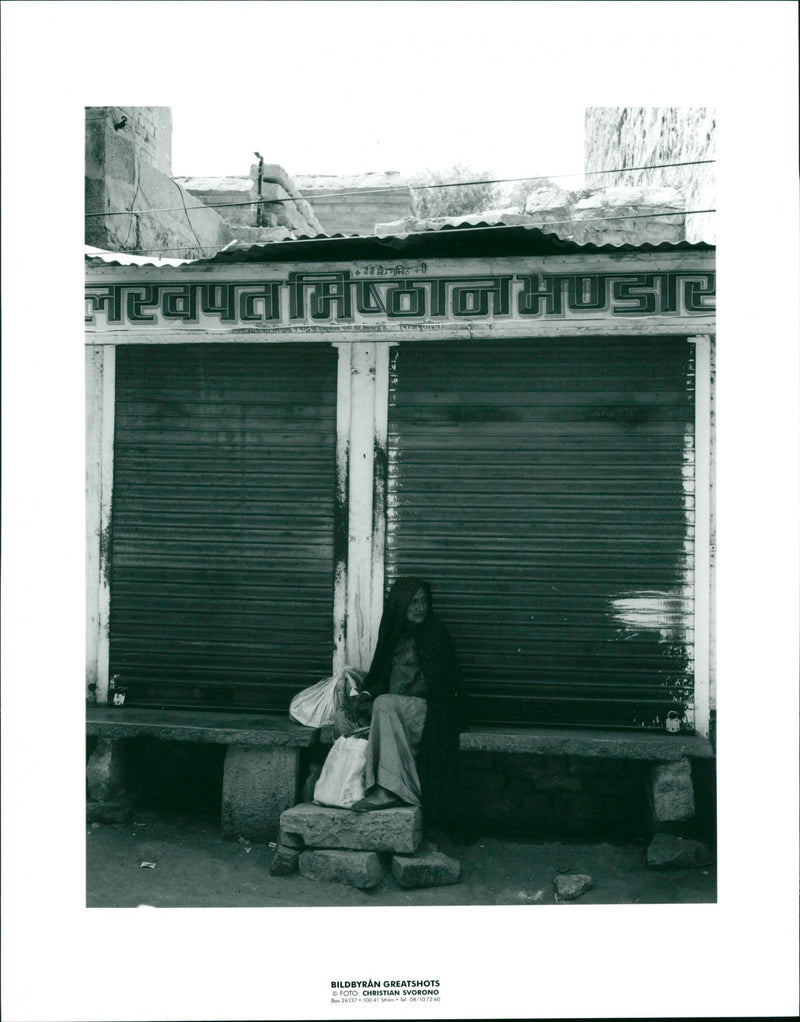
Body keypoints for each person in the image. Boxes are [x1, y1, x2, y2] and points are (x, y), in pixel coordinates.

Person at [347, 577, 464, 823]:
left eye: (423, 601)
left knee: (385, 704)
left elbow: (443, 685)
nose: (420, 608)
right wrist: (366, 695)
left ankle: (388, 790)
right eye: (413, 603)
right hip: (397, 711)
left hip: (430, 712)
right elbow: (382, 676)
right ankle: (364, 788)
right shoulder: (394, 633)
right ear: (400, 606)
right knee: (347, 717)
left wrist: (407, 688)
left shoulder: (434, 633)